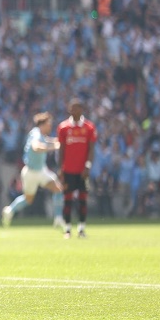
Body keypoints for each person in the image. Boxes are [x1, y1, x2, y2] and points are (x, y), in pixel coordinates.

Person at [1, 112, 64, 228]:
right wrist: (54, 147)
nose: (50, 126)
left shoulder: (41, 134)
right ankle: (10, 210)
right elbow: (36, 147)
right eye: (49, 124)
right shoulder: (36, 134)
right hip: (31, 172)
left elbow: (48, 140)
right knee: (28, 199)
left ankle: (59, 218)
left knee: (58, 188)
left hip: (41, 170)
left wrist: (60, 141)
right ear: (43, 124)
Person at [57, 98, 97, 238]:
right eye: (72, 108)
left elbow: (91, 149)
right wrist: (60, 168)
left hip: (82, 171)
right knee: (67, 199)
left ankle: (81, 229)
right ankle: (67, 229)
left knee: (82, 199)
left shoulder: (89, 127)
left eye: (78, 108)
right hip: (68, 170)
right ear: (69, 110)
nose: (75, 110)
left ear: (82, 110)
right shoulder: (63, 127)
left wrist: (88, 166)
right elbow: (61, 149)